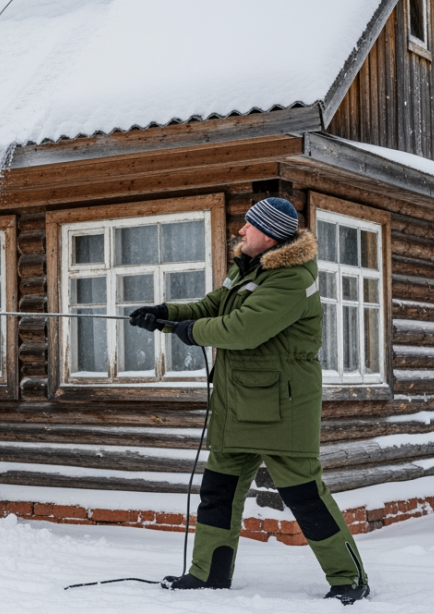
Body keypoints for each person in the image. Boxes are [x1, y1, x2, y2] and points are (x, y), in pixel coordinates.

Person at [129, 197, 368, 605]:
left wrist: (193, 331)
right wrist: (165, 315)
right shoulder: (249, 268)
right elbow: (212, 308)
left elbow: (243, 329)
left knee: (305, 496)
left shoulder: (292, 278)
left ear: (270, 234)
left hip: (283, 408)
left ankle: (350, 580)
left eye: (249, 225)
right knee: (218, 490)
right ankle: (209, 574)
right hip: (237, 403)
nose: (241, 230)